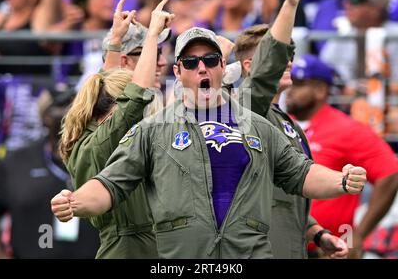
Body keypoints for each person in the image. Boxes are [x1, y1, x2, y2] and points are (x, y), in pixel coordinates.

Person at [51, 23, 367, 260]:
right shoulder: (152, 130)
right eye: (190, 62)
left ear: (221, 68)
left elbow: (302, 174)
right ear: (178, 71)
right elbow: (110, 185)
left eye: (210, 59)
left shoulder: (258, 126)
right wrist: (74, 202)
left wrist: (341, 180)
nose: (201, 67)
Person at [58, 0, 174, 258]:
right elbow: (133, 97)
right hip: (130, 246)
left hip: (141, 241)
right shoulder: (104, 136)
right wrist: (152, 33)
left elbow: (110, 86)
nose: (160, 62)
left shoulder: (92, 126)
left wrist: (114, 42)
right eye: (151, 54)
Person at [234, 25, 348, 259]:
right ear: (249, 66)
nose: (288, 63)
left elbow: (285, 196)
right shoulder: (245, 112)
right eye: (277, 56)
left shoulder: (290, 124)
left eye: (289, 56)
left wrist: (317, 234)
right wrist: (291, 3)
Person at [286, 54, 398, 258]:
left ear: (320, 89)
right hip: (285, 246)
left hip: (329, 250)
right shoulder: (282, 123)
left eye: (299, 84)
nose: (290, 90)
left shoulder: (346, 129)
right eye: (291, 82)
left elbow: (391, 175)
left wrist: (358, 236)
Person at [0, 90, 100, 258]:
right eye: (60, 107)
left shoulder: (105, 157)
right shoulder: (17, 161)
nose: (68, 112)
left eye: (75, 106)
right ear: (44, 116)